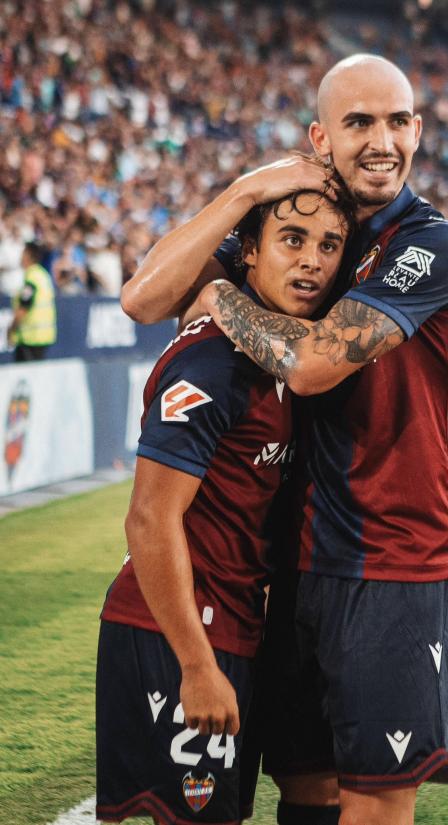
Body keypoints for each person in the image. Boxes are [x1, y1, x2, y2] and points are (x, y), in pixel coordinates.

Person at [123, 54, 448, 825]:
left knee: (376, 805)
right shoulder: (309, 227)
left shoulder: (434, 246)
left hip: (392, 563)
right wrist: (249, 188)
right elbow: (143, 296)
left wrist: (218, 293)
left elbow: (312, 366)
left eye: (396, 121)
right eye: (358, 122)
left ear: (417, 130)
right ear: (321, 137)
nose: (380, 140)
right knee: (308, 792)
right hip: (291, 565)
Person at [96, 187, 353, 825]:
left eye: (328, 246)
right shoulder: (211, 362)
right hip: (179, 633)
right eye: (292, 241)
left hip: (236, 627)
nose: (312, 262)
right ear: (247, 254)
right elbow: (150, 519)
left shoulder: (284, 356)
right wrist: (195, 663)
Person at [8, 241, 57, 361]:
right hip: (44, 336)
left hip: (30, 338)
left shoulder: (32, 278)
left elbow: (24, 307)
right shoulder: (43, 274)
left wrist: (11, 329)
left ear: (28, 255)